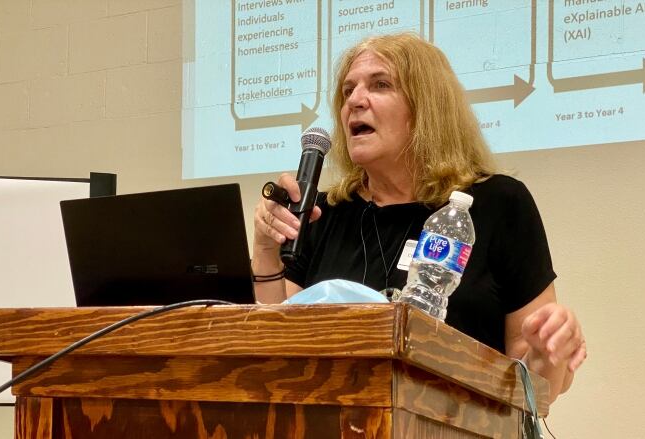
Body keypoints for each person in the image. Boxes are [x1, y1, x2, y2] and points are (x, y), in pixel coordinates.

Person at [251, 33, 586, 402]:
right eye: (347, 91)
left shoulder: (497, 203)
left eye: (380, 85)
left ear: (427, 107)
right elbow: (272, 345)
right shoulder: (323, 212)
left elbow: (537, 391)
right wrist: (266, 248)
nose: (354, 102)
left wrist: (549, 352)